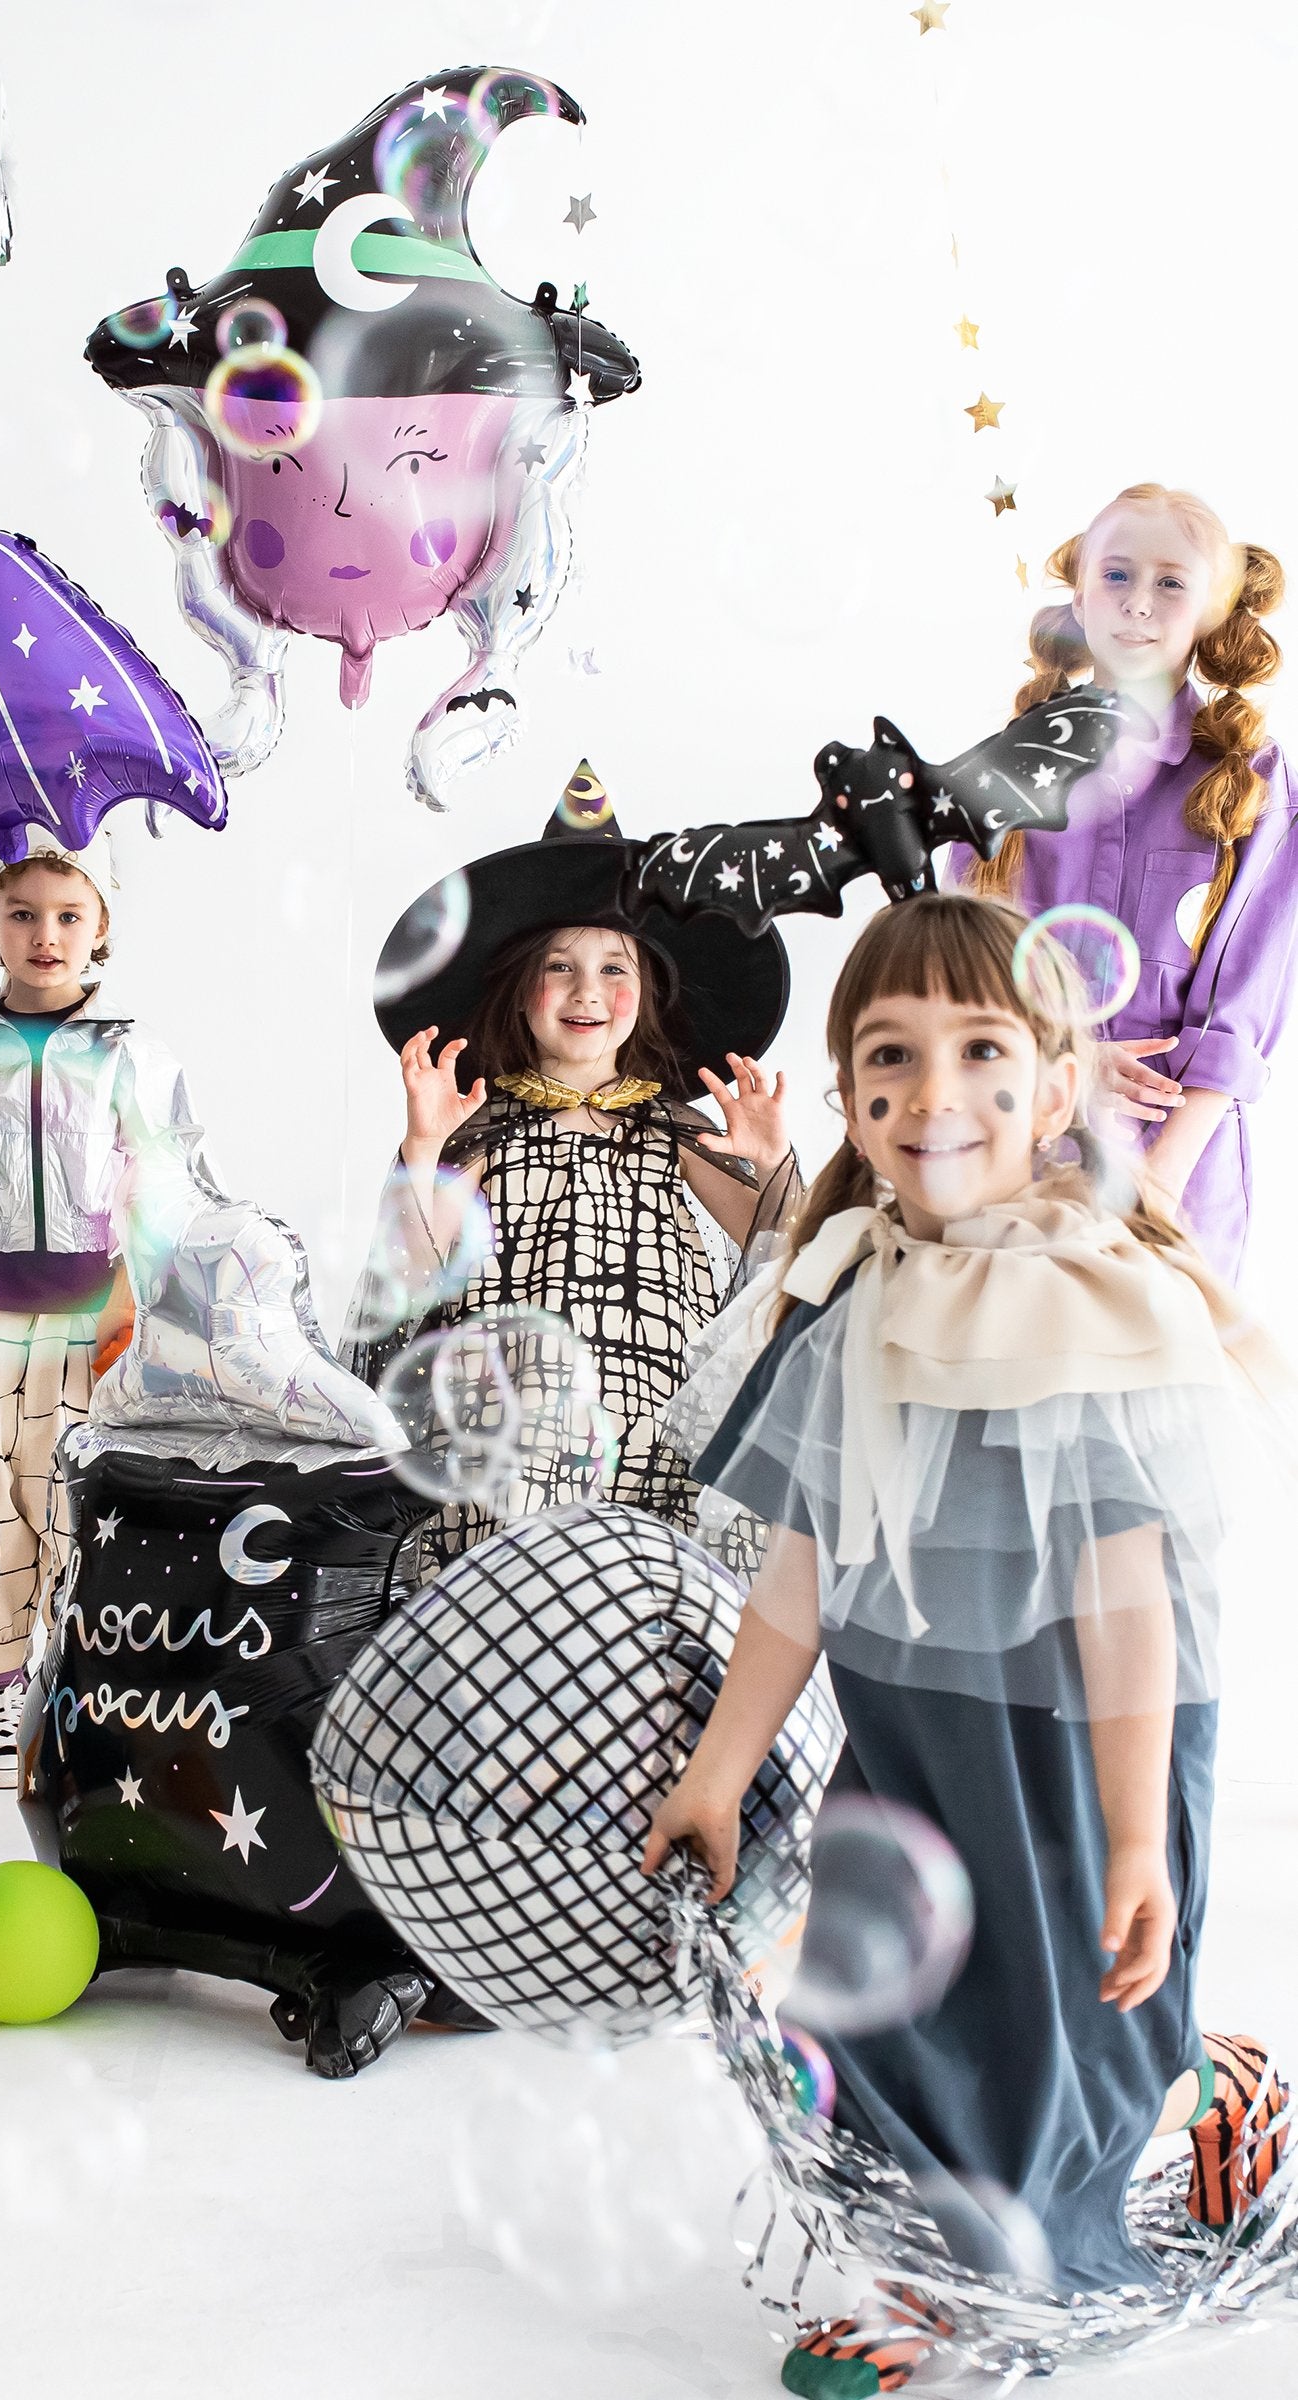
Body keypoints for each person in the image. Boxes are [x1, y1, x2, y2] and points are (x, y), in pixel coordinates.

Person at [644, 893, 1285, 2393]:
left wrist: (1136, 1838)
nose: (933, 1091)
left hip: (1082, 1743)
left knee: (1063, 2028)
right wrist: (719, 1772)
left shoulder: (1098, 1305)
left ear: (1056, 1089)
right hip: (910, 1735)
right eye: (890, 1055)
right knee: (891, 2012)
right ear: (849, 1095)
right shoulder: (850, 1300)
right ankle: (913, 2276)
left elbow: (1128, 1609)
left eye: (981, 1050)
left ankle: (1191, 2094)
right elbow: (797, 1570)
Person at [345, 766, 801, 1575]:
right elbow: (411, 1272)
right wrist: (423, 1147)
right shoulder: (479, 1126)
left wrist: (772, 1164)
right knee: (516, 1604)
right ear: (521, 990)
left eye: (615, 969)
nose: (588, 990)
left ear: (648, 993)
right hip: (505, 1431)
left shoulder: (677, 1126)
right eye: (560, 967)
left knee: (638, 1602)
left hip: (653, 1431)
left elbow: (783, 1254)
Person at [0, 831, 216, 1785]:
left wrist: (130, 1303)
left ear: (101, 925)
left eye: (70, 915)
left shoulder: (130, 1053)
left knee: (80, 1509)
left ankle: (76, 1692)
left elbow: (170, 1185)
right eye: (22, 913)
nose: (46, 935)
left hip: (91, 1329)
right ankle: (1, 1693)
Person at [962, 482, 1296, 1280]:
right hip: (1017, 1151)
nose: (1139, 602)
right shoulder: (1001, 772)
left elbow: (1245, 1000)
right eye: (1116, 574)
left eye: (1171, 582)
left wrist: (1159, 1186)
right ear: (1078, 596)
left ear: (1211, 611)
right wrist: (1067, 1061)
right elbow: (960, 980)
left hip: (1180, 1174)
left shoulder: (1254, 777)